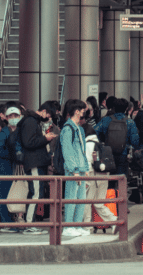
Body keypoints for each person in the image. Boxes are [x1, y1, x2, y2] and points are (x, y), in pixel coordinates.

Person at [16, 100, 57, 234]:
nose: (49, 118)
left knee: (35, 192)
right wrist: (45, 138)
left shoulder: (32, 121)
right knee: (35, 193)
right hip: (34, 162)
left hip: (35, 162)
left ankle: (30, 223)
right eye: (49, 115)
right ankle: (29, 224)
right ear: (44, 111)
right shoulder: (31, 122)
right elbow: (29, 142)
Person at [59, 98, 90, 237]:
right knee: (71, 197)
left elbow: (81, 150)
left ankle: (77, 225)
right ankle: (68, 226)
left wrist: (85, 167)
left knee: (80, 198)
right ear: (77, 111)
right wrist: (75, 170)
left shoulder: (78, 128)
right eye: (82, 109)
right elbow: (68, 151)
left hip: (80, 168)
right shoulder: (68, 128)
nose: (84, 111)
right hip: (74, 170)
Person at [96, 97, 139, 180]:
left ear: (114, 108)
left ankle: (111, 192)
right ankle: (120, 192)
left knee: (109, 179)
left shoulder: (106, 120)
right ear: (126, 108)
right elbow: (135, 141)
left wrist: (102, 144)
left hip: (108, 154)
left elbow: (94, 131)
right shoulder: (130, 122)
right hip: (124, 154)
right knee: (121, 179)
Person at [84, 132, 118, 234]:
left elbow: (88, 164)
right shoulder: (100, 145)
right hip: (104, 175)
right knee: (99, 202)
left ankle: (87, 227)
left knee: (86, 202)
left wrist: (86, 179)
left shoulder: (87, 145)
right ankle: (114, 221)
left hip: (93, 176)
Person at [0, 103, 23, 232]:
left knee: (15, 194)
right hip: (6, 167)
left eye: (16, 115)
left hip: (15, 167)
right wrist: (14, 156)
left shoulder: (20, 131)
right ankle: (6, 222)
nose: (13, 118)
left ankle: (14, 220)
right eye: (11, 116)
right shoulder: (4, 132)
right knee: (5, 194)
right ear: (6, 118)